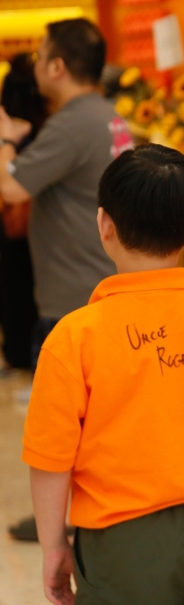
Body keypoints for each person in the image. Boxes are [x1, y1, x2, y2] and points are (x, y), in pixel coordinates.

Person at [22, 144, 184, 605]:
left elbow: (50, 460)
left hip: (121, 539)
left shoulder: (74, 337)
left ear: (103, 224)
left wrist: (53, 547)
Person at [0, 18, 133, 371]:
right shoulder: (107, 114)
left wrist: (7, 138)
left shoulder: (72, 123)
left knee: (64, 420)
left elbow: (10, 188)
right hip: (100, 285)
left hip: (73, 301)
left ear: (57, 67)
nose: (37, 65)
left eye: (39, 56)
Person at [0, 54, 46, 371]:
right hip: (39, 226)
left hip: (10, 225)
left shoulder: (10, 131)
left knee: (13, 288)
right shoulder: (45, 128)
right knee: (30, 289)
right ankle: (30, 355)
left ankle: (17, 354)